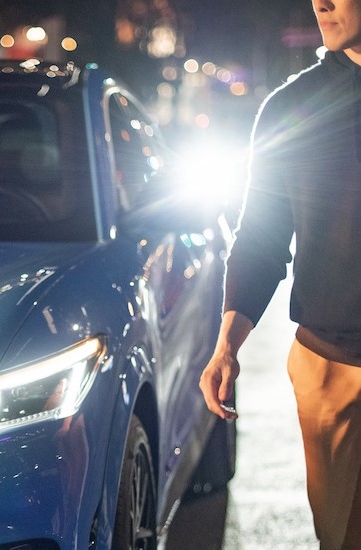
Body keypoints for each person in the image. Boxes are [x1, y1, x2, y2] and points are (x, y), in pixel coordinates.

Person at [200, 0, 361, 547]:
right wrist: (227, 344)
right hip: (332, 366)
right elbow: (263, 238)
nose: (323, 3)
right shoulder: (294, 105)